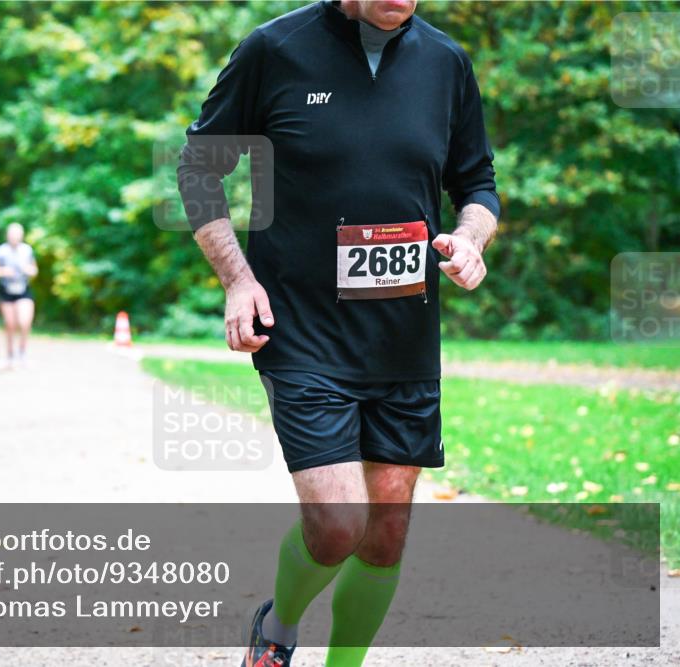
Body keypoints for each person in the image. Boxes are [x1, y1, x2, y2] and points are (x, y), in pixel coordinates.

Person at [177, 2, 500, 666]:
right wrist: (238, 279)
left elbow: (478, 185)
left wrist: (469, 240)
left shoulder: (446, 62)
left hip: (403, 338)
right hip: (301, 332)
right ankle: (279, 625)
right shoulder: (274, 49)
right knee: (337, 525)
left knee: (385, 535)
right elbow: (199, 168)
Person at [0, 223, 38, 367]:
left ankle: (22, 352)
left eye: (17, 234)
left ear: (22, 235)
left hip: (23, 290)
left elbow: (34, 270)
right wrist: (3, 271)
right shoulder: (0, 251)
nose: (15, 237)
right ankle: (10, 354)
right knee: (10, 324)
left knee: (25, 322)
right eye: (12, 234)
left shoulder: (27, 250)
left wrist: (27, 269)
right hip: (6, 291)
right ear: (7, 235)